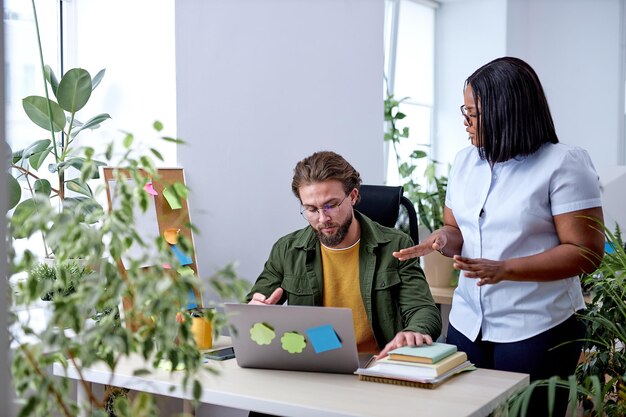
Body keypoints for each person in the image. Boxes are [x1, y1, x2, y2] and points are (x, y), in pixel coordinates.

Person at [393, 57, 604, 416]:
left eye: (472, 112)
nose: (465, 121)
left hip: (538, 326)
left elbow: (585, 251)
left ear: (506, 110)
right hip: (467, 322)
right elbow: (456, 230)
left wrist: (506, 268)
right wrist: (442, 240)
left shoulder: (563, 162)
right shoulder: (465, 161)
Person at [247, 150, 441, 358]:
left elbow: (424, 311)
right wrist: (254, 312)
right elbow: (253, 308)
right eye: (311, 209)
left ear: (353, 196)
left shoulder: (395, 244)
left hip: (379, 364)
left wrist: (414, 331)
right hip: (314, 364)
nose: (322, 219)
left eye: (331, 205)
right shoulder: (287, 250)